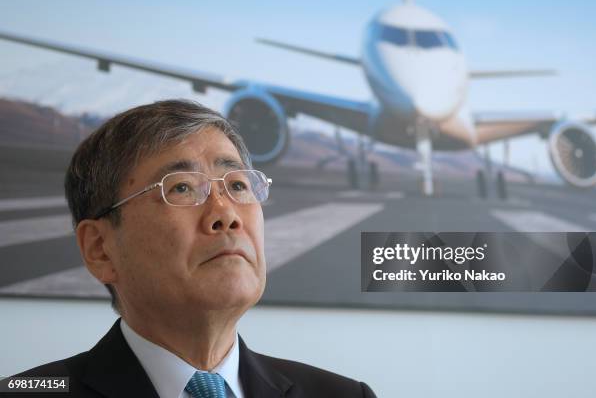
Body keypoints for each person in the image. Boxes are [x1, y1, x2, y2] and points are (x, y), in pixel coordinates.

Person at [9, 100, 377, 398]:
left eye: (237, 185)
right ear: (100, 249)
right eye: (182, 187)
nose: (226, 214)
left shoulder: (343, 395)